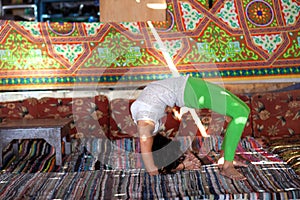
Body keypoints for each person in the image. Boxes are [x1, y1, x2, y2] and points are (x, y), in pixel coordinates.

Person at [130, 75, 250, 180]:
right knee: (240, 113)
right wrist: (152, 168)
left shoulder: (146, 120)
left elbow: (145, 140)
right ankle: (227, 166)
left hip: (188, 86)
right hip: (189, 90)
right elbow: (145, 140)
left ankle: (224, 158)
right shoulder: (145, 119)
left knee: (244, 109)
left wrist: (153, 167)